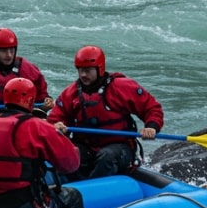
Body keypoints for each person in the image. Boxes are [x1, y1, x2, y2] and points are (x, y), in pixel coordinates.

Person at [0, 77, 84, 208]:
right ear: (31, 102)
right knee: (73, 196)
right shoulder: (37, 127)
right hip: (21, 207)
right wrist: (59, 135)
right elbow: (71, 165)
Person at [47, 45, 164, 180]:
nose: (83, 75)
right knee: (66, 152)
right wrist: (56, 127)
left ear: (100, 68)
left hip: (119, 148)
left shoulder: (122, 87)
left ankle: (92, 190)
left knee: (106, 156)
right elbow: (54, 120)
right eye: (80, 70)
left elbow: (151, 108)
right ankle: (69, 187)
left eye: (87, 70)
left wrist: (151, 127)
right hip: (87, 147)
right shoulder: (70, 94)